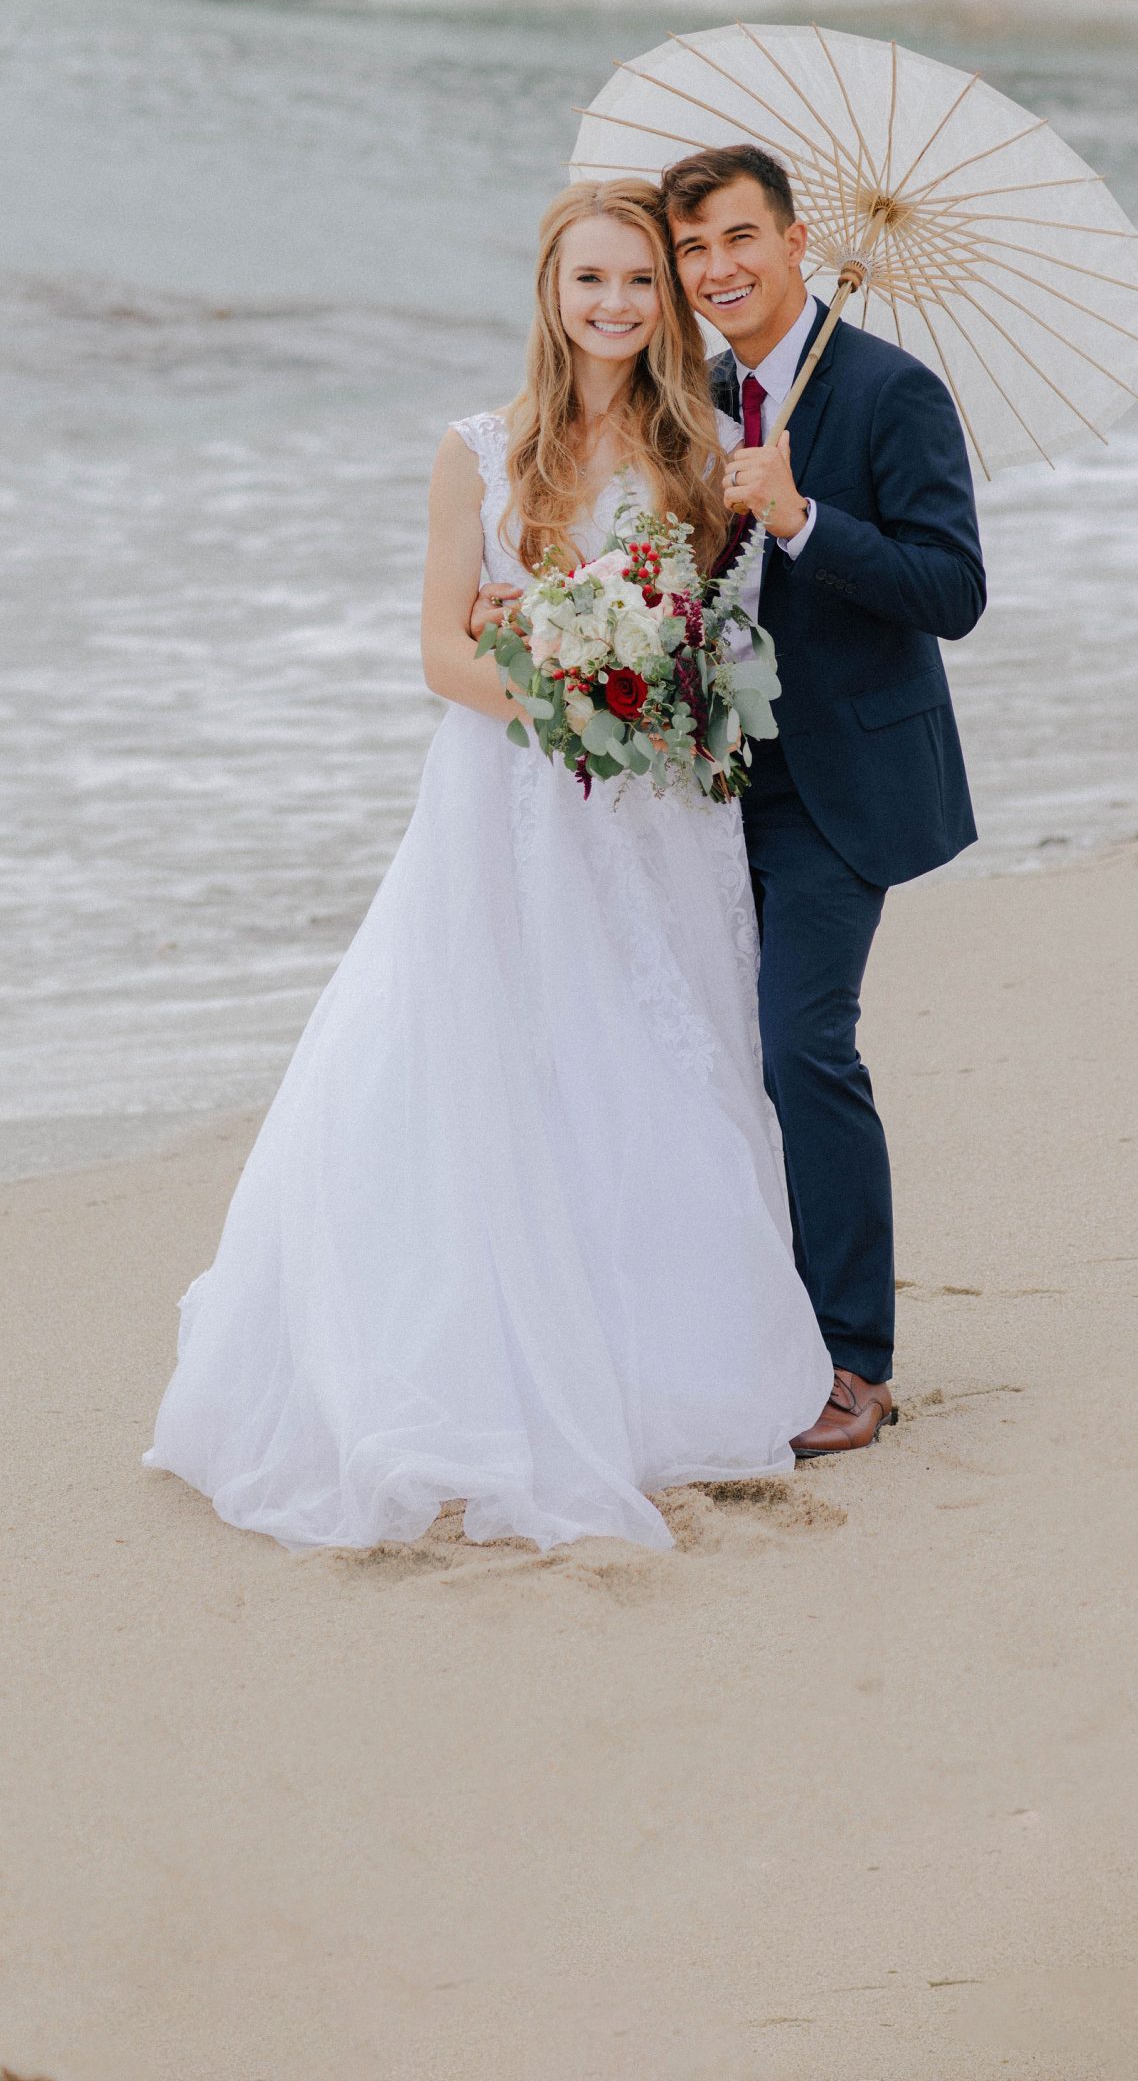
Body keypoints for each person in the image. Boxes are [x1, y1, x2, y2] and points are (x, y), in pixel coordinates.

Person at [144, 180, 834, 1553]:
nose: (617, 304)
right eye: (592, 280)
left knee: (656, 1058)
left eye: (640, 281)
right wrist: (567, 692)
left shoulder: (708, 452)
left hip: (651, 817)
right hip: (507, 796)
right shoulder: (481, 449)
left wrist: (647, 672)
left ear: (667, 298)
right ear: (551, 292)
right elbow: (439, 652)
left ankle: (665, 1365)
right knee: (491, 1055)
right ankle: (475, 1362)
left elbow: (711, 634)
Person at [659, 145, 986, 1459]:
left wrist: (800, 519)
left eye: (740, 238)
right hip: (705, 777)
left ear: (797, 242)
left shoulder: (892, 391)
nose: (717, 269)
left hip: (840, 780)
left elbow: (952, 590)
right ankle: (743, 1323)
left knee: (802, 1043)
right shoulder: (687, 396)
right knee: (701, 1050)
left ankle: (855, 1358)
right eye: (693, 250)